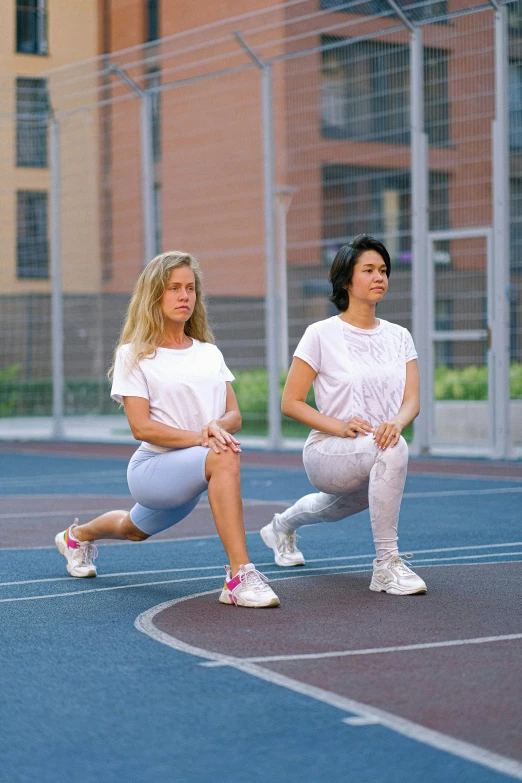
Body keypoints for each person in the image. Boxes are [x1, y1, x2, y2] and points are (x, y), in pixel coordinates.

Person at [55, 251, 279, 609]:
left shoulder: (209, 353)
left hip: (193, 467)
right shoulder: (134, 354)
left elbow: (234, 415)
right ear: (154, 295)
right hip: (154, 469)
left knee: (132, 529)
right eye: (173, 288)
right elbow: (140, 427)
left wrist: (215, 426)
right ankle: (239, 576)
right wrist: (202, 438)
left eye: (190, 288)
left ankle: (75, 537)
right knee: (224, 454)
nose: (184, 296)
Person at [260, 234, 426, 595]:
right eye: (369, 270)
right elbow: (291, 401)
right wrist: (339, 424)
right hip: (327, 449)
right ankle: (386, 565)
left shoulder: (400, 336)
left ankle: (279, 527)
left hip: (375, 449)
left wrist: (396, 423)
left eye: (383, 270)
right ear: (347, 281)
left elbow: (412, 399)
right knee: (394, 450)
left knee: (329, 508)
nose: (379, 276)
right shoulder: (321, 334)